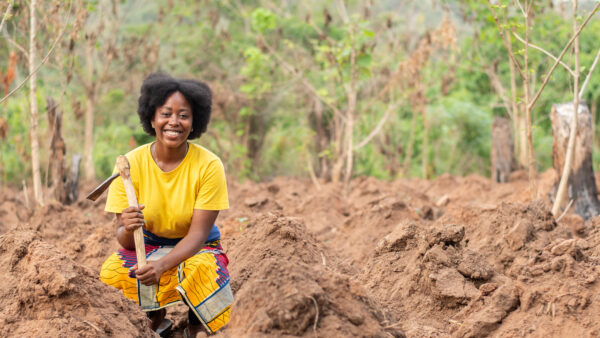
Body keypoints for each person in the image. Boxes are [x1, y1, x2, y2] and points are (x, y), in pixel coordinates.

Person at [99, 72, 232, 336]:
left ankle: (196, 329)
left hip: (198, 247)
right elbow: (124, 240)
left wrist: (161, 266)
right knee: (113, 272)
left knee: (203, 270)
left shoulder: (209, 165)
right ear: (152, 118)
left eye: (183, 115)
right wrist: (127, 226)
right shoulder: (129, 164)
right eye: (166, 114)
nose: (174, 122)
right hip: (148, 244)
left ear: (194, 123)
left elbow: (197, 234)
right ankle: (153, 321)